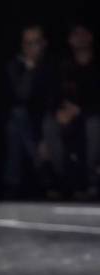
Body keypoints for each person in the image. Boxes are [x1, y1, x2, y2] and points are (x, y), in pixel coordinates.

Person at [41, 22, 100, 200]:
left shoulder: (96, 66)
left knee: (94, 124)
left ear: (90, 36)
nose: (80, 38)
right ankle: (61, 180)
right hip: (69, 118)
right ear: (70, 39)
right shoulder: (64, 66)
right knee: (50, 123)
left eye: (84, 33)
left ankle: (91, 181)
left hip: (91, 117)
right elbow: (54, 94)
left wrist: (80, 110)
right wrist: (60, 111)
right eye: (76, 34)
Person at [1, 23, 58, 199]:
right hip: (26, 120)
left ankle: (12, 183)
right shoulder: (15, 67)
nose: (32, 47)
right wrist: (29, 69)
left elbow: (53, 99)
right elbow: (21, 96)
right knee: (17, 120)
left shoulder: (52, 66)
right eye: (28, 43)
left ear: (44, 43)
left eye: (36, 42)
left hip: (46, 118)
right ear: (23, 46)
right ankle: (43, 170)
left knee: (16, 125)